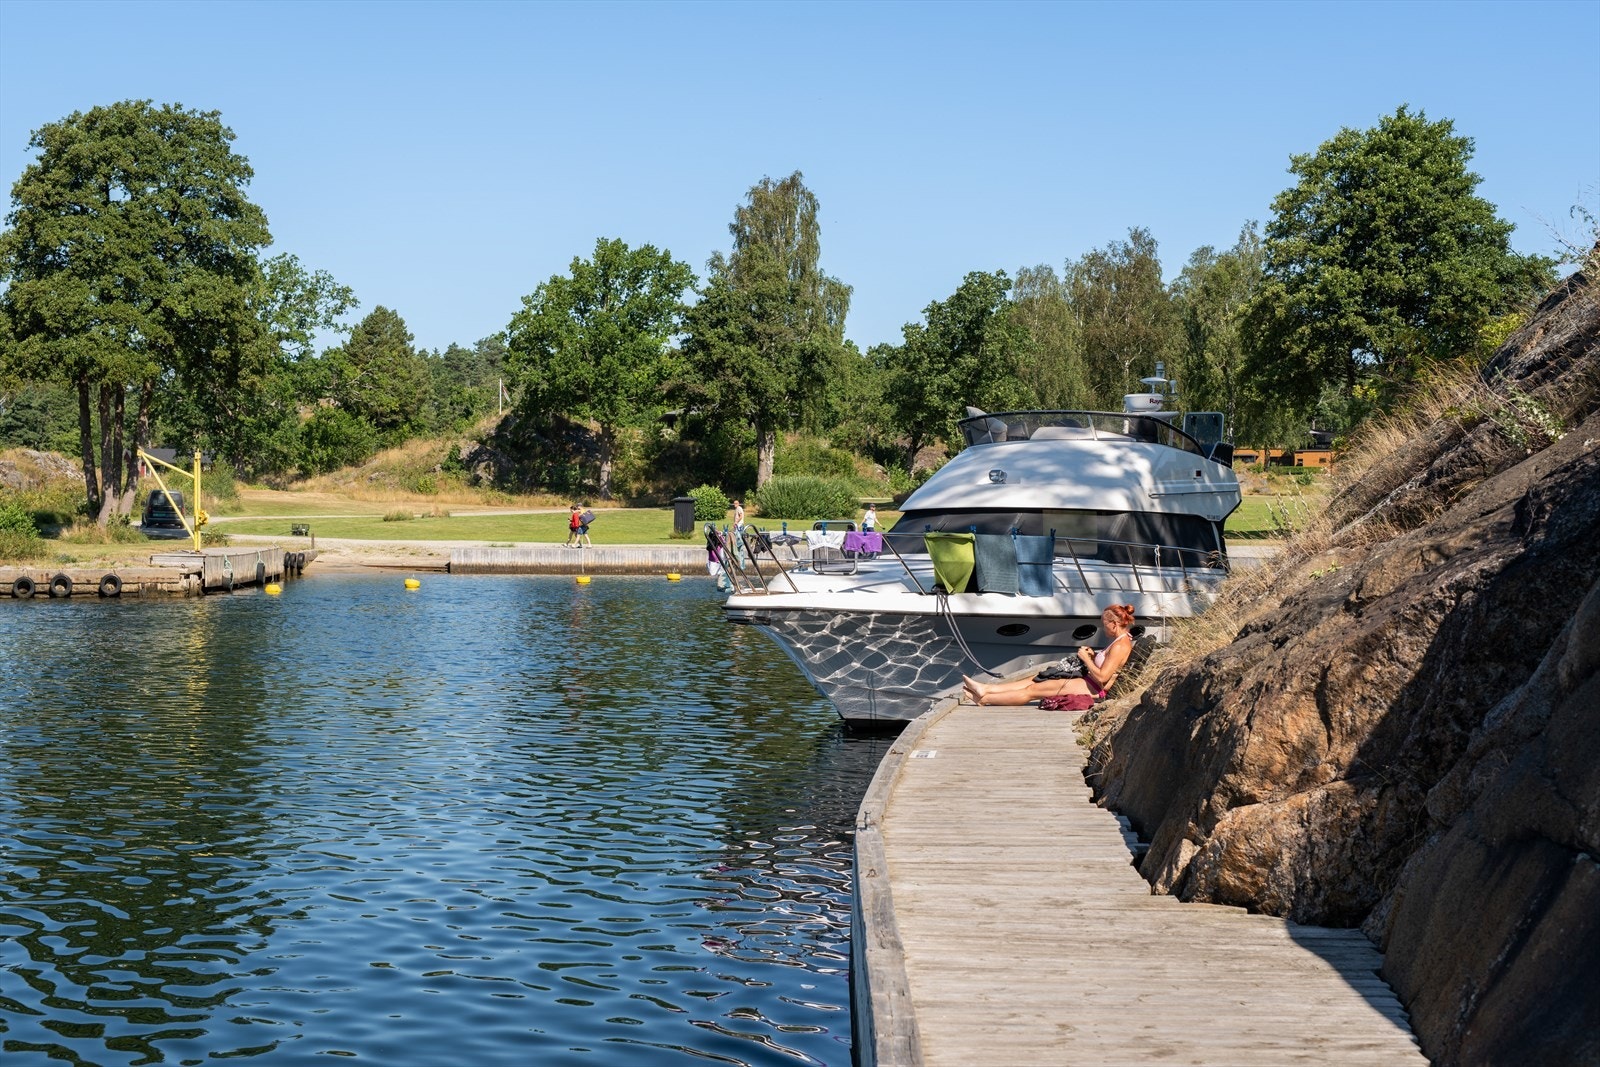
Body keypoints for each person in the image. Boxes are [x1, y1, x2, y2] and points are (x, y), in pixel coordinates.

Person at [963, 605, 1136, 707]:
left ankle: (985, 699)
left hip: (1094, 688)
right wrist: (1093, 656)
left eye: (1104, 624)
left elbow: (1103, 677)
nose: (1103, 628)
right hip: (1088, 681)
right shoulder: (1119, 640)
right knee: (1035, 680)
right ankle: (986, 689)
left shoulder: (1120, 645)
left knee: (1033, 691)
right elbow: (1107, 665)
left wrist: (1085, 659)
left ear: (1114, 624)